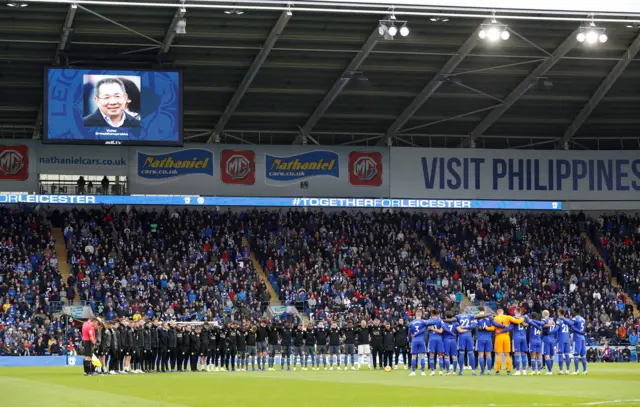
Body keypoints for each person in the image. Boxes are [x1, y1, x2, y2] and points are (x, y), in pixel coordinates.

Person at [492, 307, 524, 375]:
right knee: (507, 354)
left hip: (498, 336)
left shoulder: (495, 318)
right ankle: (508, 370)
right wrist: (523, 318)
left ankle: (498, 371)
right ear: (503, 312)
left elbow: (493, 327)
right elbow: (517, 321)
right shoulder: (508, 317)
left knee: (499, 354)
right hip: (506, 336)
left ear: (497, 313)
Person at [560, 308, 588, 375]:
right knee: (583, 355)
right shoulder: (583, 319)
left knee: (576, 354)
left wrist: (563, 318)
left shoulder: (575, 318)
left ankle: (576, 370)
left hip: (577, 337)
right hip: (582, 337)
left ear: (575, 312)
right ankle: (585, 370)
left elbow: (570, 323)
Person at [427, 309, 445, 376]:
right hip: (439, 339)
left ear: (431, 314)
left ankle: (432, 371)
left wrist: (432, 329)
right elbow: (441, 331)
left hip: (432, 339)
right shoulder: (440, 320)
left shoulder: (428, 321)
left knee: (431, 356)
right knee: (440, 356)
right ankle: (440, 371)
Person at [555, 308, 572, 375]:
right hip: (566, 339)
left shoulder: (559, 320)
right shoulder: (567, 320)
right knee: (567, 355)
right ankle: (567, 370)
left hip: (560, 339)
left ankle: (561, 370)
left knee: (560, 355)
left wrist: (551, 332)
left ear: (559, 313)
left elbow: (557, 329)